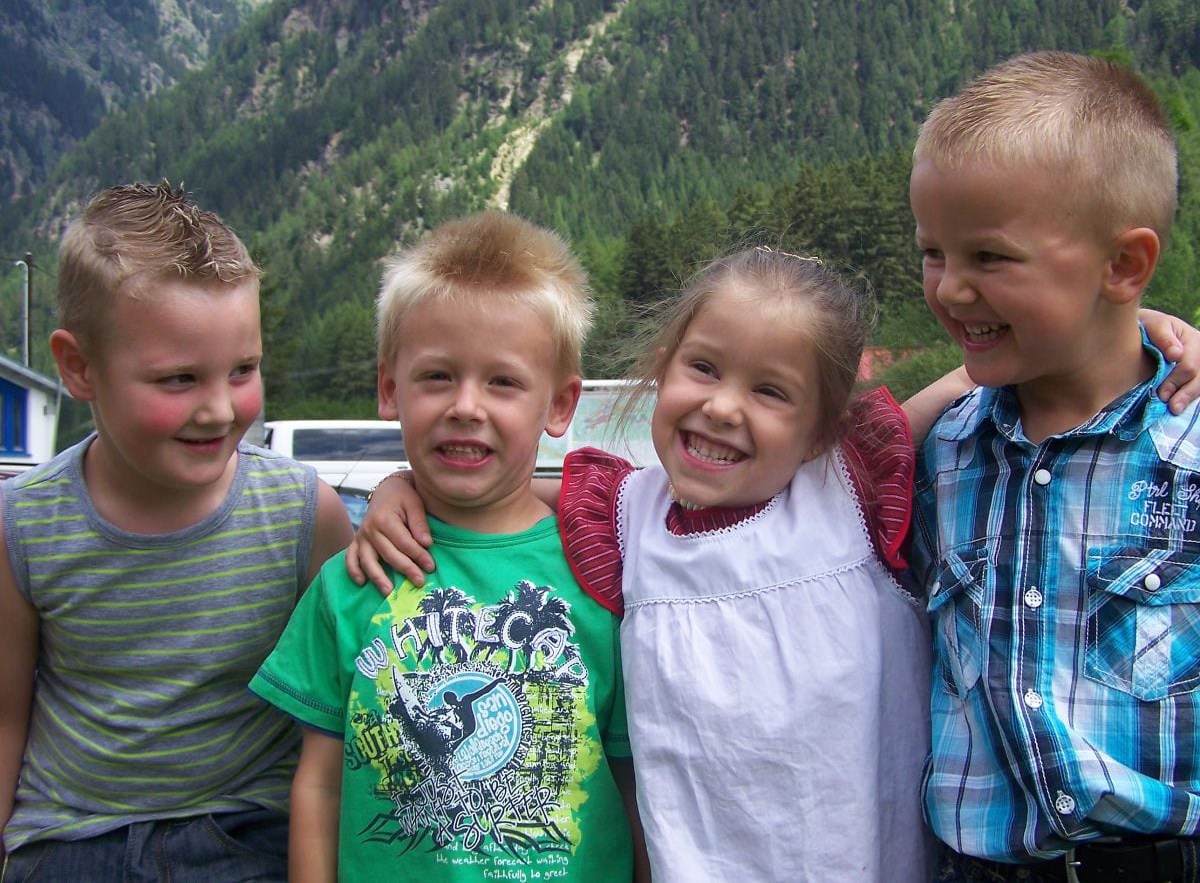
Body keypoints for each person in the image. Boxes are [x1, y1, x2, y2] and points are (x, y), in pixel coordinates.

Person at [355, 245, 955, 881]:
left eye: (770, 390)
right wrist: (404, 486)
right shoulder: (624, 516)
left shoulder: (850, 487)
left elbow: (975, 379)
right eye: (703, 368)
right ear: (662, 371)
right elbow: (498, 493)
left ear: (823, 430)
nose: (723, 407)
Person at [249, 211, 647, 882]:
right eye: (437, 376)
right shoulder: (352, 580)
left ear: (559, 404)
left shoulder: (602, 577)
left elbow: (632, 783)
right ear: (388, 388)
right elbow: (316, 784)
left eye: (503, 382)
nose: (467, 405)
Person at [0, 181, 354, 882]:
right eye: (179, 379)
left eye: (243, 370)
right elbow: (5, 714)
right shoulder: (25, 524)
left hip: (248, 831)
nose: (221, 409)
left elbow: (350, 699)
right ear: (78, 367)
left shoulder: (302, 515)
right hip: (72, 840)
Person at [909, 51, 1200, 881]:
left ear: (1124, 266)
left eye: (990, 259)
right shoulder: (945, 455)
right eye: (934, 252)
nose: (952, 290)